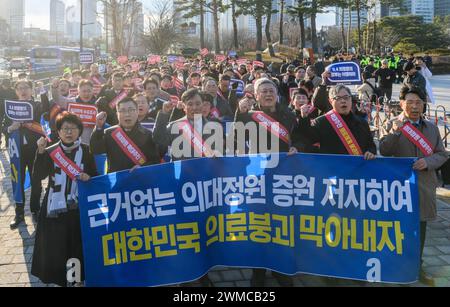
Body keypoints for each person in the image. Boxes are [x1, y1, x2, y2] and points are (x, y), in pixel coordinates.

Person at [233, 78, 303, 287]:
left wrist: (297, 146)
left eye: (271, 90)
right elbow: (235, 137)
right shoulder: (249, 116)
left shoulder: (288, 115)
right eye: (263, 91)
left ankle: (279, 267)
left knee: (280, 222)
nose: (267, 94)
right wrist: (239, 113)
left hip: (283, 176)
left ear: (277, 93)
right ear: (256, 95)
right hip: (257, 177)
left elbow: (301, 137)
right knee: (259, 223)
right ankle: (258, 270)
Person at [379, 86, 448, 287]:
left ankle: (417, 267)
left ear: (424, 104)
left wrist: (428, 162)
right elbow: (384, 149)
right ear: (401, 104)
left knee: (420, 229)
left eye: (418, 102)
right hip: (399, 188)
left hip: (424, 186)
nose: (414, 106)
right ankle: (397, 266)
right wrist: (396, 131)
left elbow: (442, 154)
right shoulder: (393, 123)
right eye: (409, 102)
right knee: (397, 229)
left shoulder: (432, 128)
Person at [31, 113, 97, 287]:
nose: (69, 132)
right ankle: (61, 280)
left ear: (79, 131)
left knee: (77, 245)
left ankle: (77, 280)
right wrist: (40, 151)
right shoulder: (51, 151)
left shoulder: (86, 150)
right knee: (56, 246)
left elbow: (95, 177)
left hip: (78, 207)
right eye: (64, 129)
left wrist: (87, 177)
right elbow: (37, 175)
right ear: (58, 132)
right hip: (54, 207)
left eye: (73, 128)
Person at [5, 80, 47, 229]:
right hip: (16, 150)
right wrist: (10, 128)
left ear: (31, 89)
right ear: (16, 91)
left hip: (34, 148)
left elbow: (46, 111)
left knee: (36, 180)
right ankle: (19, 214)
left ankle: (35, 210)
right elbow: (4, 127)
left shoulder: (36, 105)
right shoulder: (10, 107)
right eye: (20, 88)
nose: (23, 91)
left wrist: (43, 92)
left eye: (26, 88)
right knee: (17, 181)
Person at [296, 84, 377, 158]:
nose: (343, 101)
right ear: (331, 101)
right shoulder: (322, 122)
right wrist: (304, 119)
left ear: (351, 99)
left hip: (357, 171)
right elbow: (306, 140)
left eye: (346, 97)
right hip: (332, 170)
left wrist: (371, 151)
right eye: (338, 98)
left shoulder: (361, 122)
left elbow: (371, 145)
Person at [90, 98, 160, 173]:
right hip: (117, 182)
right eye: (122, 111)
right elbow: (95, 150)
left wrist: (142, 168)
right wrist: (99, 127)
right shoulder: (109, 133)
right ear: (117, 114)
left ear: (137, 112)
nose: (127, 114)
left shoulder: (147, 134)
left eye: (131, 110)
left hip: (140, 180)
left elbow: (155, 161)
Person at [51, 79, 98, 145]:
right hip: (73, 141)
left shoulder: (97, 104)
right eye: (84, 91)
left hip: (91, 142)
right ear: (78, 91)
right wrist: (54, 87)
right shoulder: (72, 102)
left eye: (89, 91)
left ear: (92, 91)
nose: (86, 94)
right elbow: (57, 99)